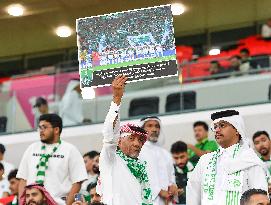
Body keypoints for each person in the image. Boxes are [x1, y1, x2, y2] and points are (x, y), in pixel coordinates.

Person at [186, 110, 268, 205]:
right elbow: (193, 193)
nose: (217, 130)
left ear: (237, 129)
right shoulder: (205, 160)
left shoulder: (250, 160)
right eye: (215, 127)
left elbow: (261, 200)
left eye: (222, 125)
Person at [98, 75, 153, 205]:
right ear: (119, 141)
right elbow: (109, 136)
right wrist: (117, 99)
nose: (137, 143)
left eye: (140, 140)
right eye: (131, 138)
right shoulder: (111, 158)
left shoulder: (141, 166)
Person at [17, 113, 88, 205]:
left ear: (56, 129)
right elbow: (23, 179)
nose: (41, 131)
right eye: (40, 127)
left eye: (44, 127)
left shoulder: (70, 150)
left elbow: (77, 182)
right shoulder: (32, 148)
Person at [139, 116, 178, 205]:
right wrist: (159, 191)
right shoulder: (138, 151)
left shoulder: (166, 153)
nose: (154, 129)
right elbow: (139, 177)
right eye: (150, 126)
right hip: (147, 200)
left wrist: (173, 186)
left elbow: (171, 176)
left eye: (157, 126)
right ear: (142, 130)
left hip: (167, 201)